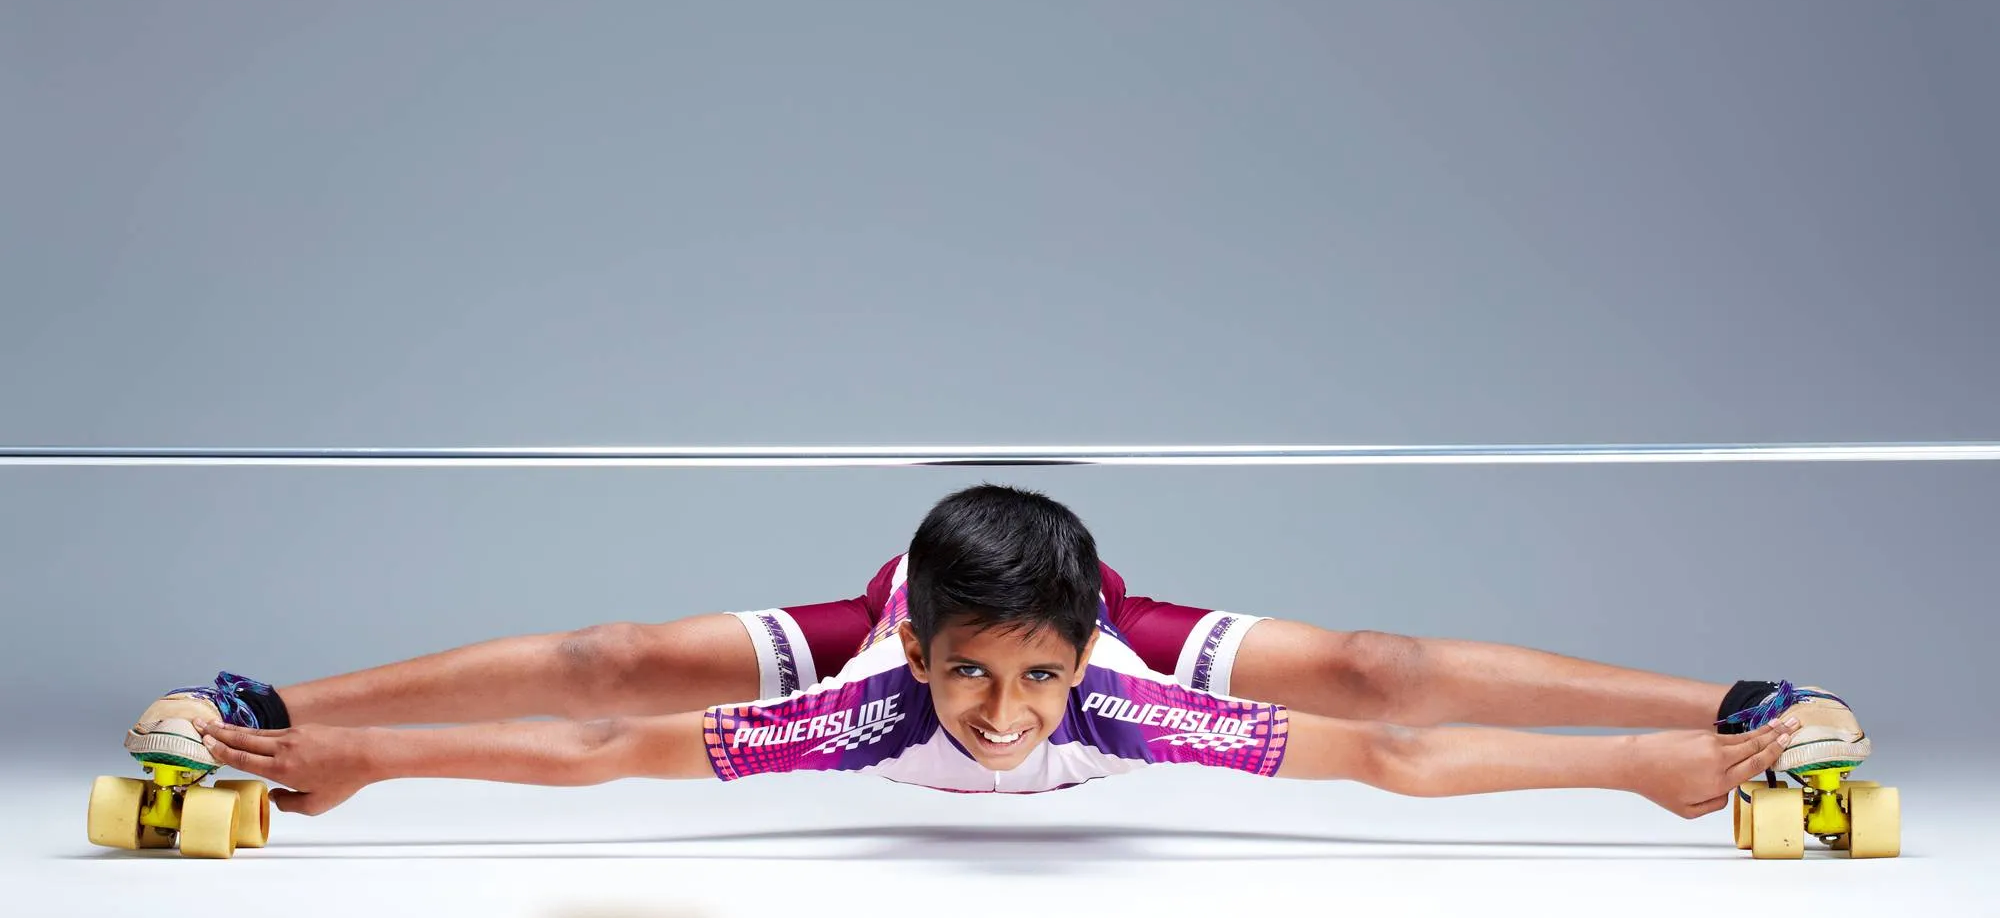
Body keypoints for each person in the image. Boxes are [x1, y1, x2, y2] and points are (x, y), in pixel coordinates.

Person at [126, 484, 1865, 822]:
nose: (1005, 721)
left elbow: (1396, 753)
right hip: (931, 592)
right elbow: (597, 746)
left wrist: (1656, 768)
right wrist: (358, 758)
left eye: (1032, 681)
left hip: (1069, 604)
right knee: (611, 656)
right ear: (915, 648)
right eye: (970, 679)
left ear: (1089, 653)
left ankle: (1737, 700)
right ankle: (269, 703)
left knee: (1381, 666)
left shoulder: (1123, 701)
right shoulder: (870, 705)